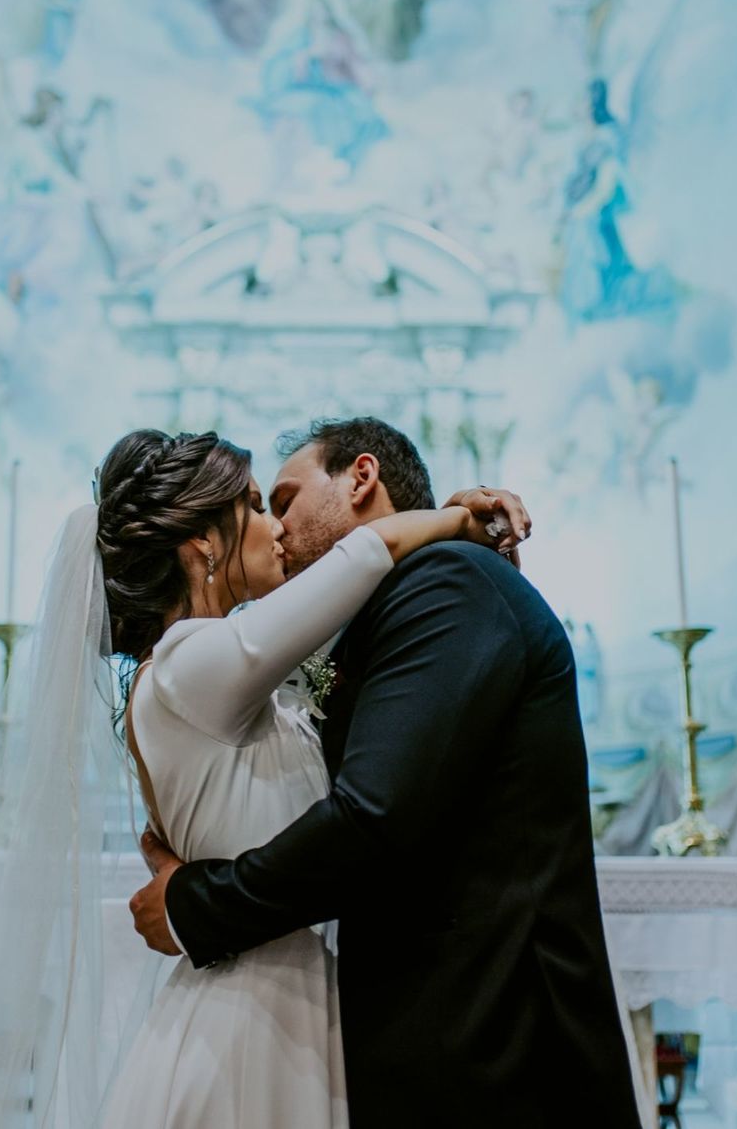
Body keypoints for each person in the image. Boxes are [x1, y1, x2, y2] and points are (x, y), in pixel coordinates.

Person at [128, 417, 637, 1128]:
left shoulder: (446, 582)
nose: (274, 527)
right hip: (406, 1041)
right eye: (256, 508)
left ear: (362, 478)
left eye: (283, 498)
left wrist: (195, 904)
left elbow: (372, 816)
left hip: (497, 1047)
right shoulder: (373, 619)